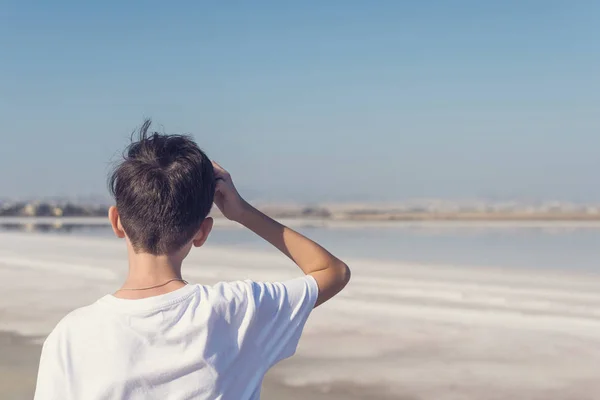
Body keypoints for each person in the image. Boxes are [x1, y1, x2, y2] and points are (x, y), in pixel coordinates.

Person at [33, 120, 351, 400]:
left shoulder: (71, 336)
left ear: (117, 221)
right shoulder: (239, 311)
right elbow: (332, 271)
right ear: (202, 232)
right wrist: (242, 212)